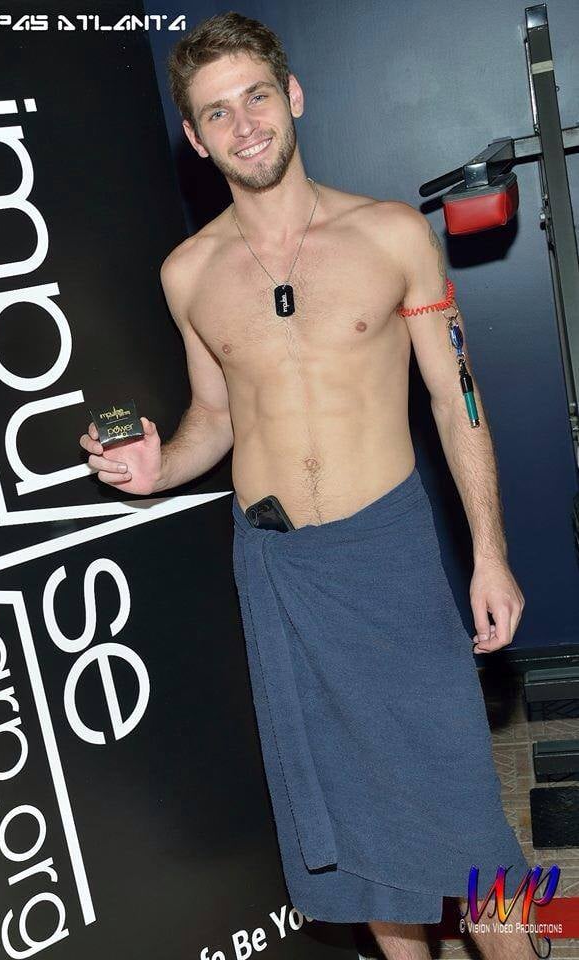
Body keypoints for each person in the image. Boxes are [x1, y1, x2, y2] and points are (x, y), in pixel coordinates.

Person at [80, 12, 541, 960]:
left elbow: (457, 400)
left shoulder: (391, 235)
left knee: (470, 821)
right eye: (217, 112)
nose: (244, 125)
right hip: (281, 574)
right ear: (196, 139)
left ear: (292, 96)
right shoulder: (188, 273)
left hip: (390, 554)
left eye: (256, 96)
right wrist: (159, 465)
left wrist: (489, 554)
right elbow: (215, 416)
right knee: (358, 837)